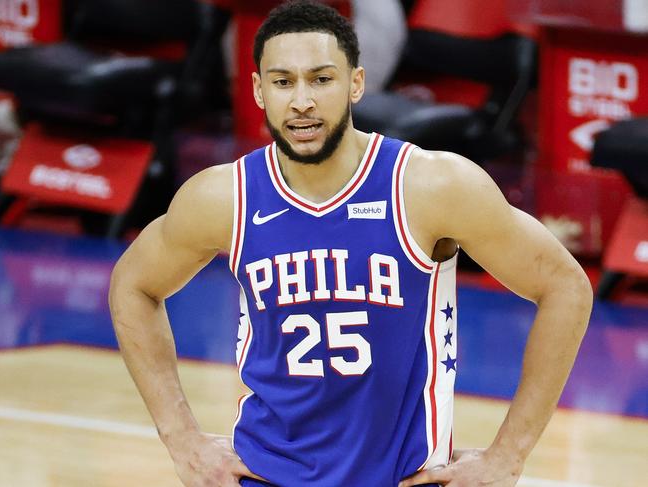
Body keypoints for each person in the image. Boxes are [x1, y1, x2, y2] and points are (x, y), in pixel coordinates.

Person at [108, 1, 593, 486]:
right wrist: (181, 438)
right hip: (266, 477)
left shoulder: (430, 186)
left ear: (356, 83)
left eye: (321, 79)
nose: (302, 101)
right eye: (283, 81)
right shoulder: (224, 197)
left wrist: (508, 457)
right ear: (258, 90)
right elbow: (133, 283)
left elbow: (565, 287)